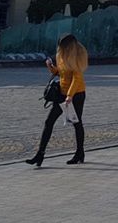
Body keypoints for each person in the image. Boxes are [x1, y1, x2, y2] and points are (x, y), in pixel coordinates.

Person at [25, 33, 88, 167]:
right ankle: (40, 154)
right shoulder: (61, 55)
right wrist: (51, 67)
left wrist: (70, 96)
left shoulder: (77, 57)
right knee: (49, 122)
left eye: (62, 47)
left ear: (69, 47)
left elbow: (76, 78)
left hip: (76, 95)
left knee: (76, 123)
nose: (60, 49)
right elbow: (61, 72)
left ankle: (80, 152)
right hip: (61, 94)